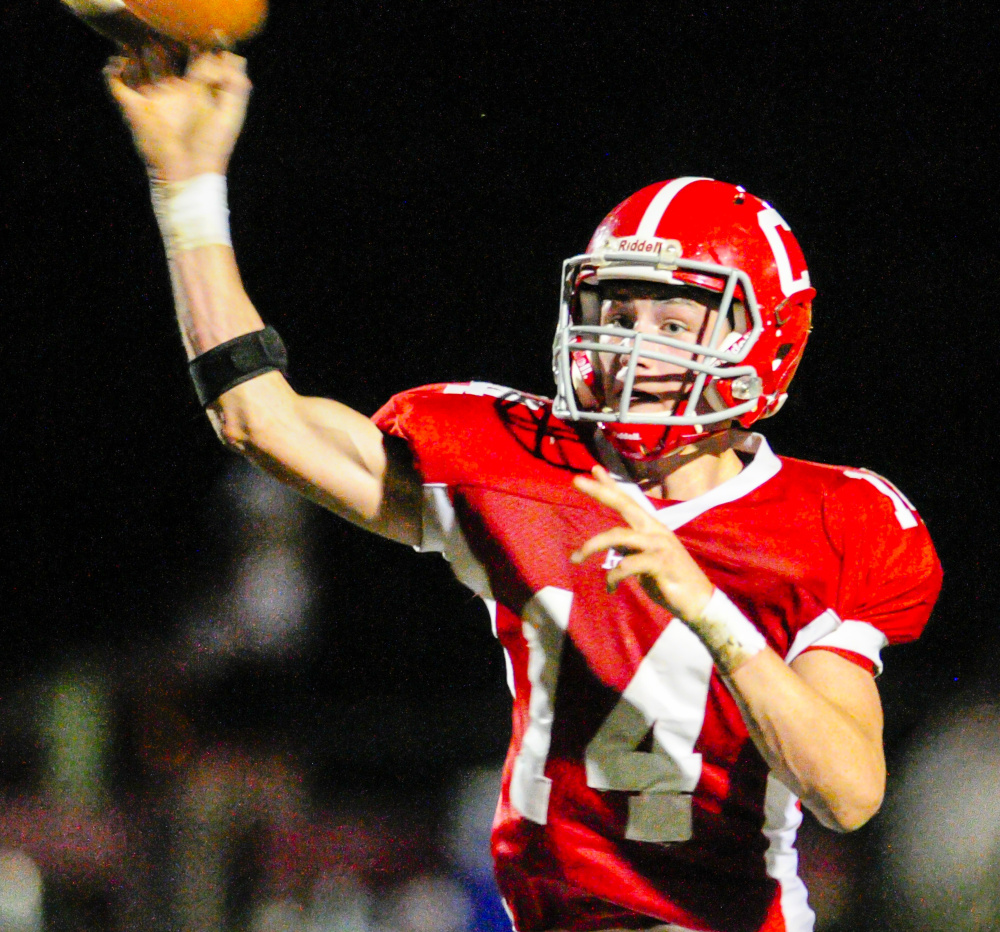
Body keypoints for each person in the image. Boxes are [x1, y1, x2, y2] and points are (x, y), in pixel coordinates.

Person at [103, 49, 942, 932]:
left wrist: (706, 609)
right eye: (618, 314)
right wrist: (185, 185)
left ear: (765, 340)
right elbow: (256, 419)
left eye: (672, 321)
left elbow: (849, 793)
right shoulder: (522, 463)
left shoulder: (831, 521)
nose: (633, 346)